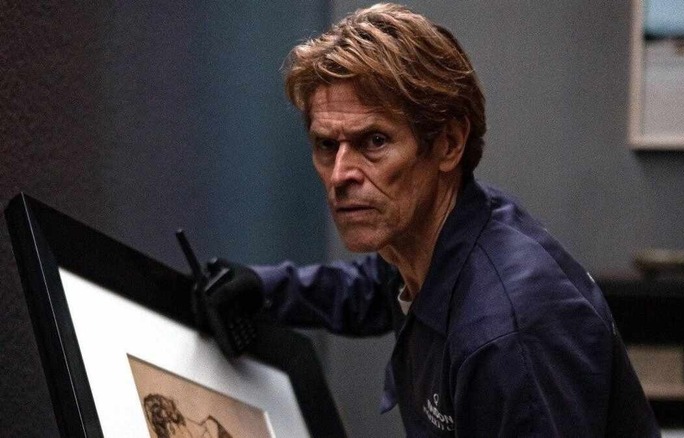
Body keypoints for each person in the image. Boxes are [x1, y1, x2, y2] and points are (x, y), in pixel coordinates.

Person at [197, 3, 660, 436]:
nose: (339, 175)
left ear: (448, 144)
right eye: (326, 146)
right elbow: (372, 288)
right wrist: (263, 288)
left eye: (374, 142)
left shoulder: (508, 333)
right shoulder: (430, 240)